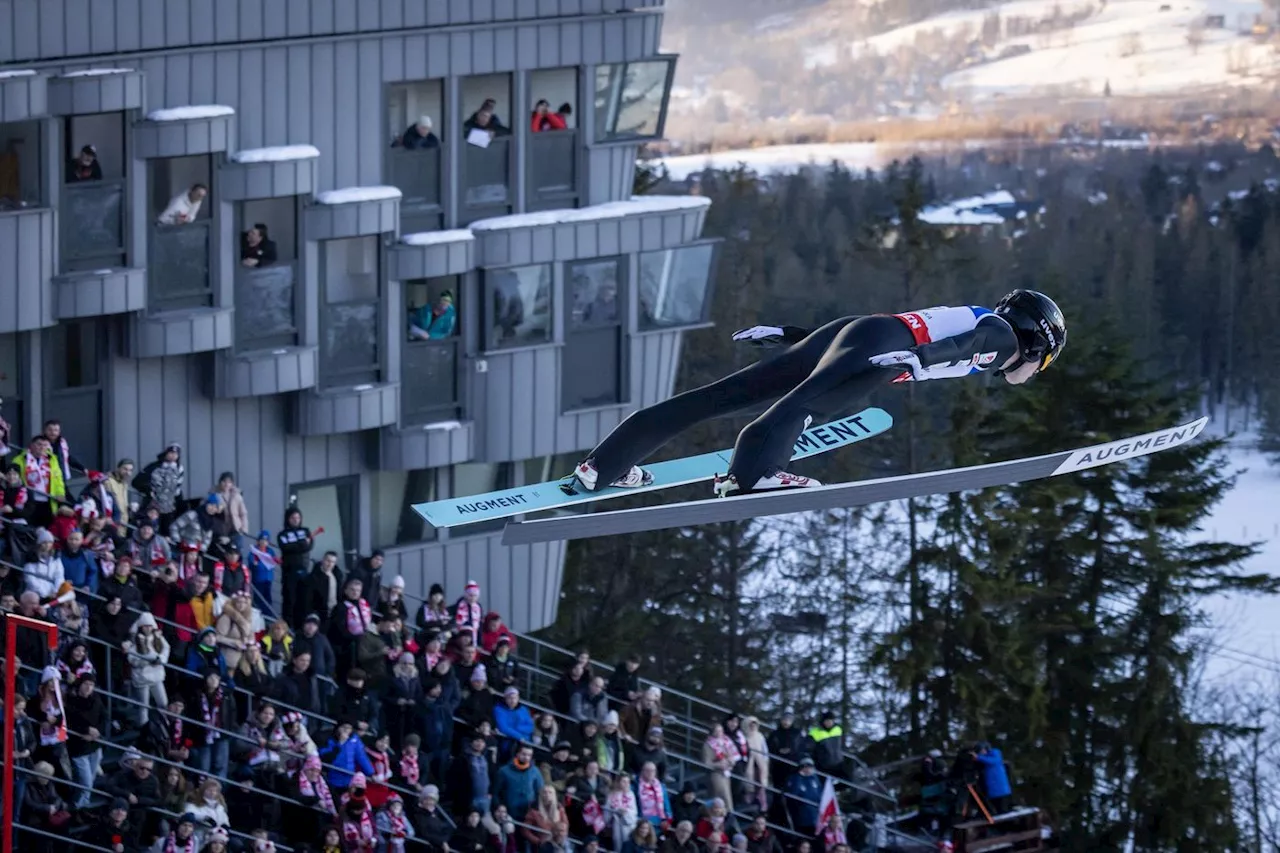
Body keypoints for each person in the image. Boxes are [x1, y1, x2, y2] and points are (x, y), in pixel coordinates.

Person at [572, 291, 1067, 496]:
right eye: (1045, 364)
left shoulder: (988, 323)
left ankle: (604, 465)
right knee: (803, 408)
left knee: (721, 396)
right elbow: (970, 342)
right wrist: (924, 359)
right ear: (1038, 343)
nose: (1037, 372)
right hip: (885, 352)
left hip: (863, 336)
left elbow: (864, 333)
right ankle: (751, 475)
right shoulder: (1000, 337)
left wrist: (793, 335)